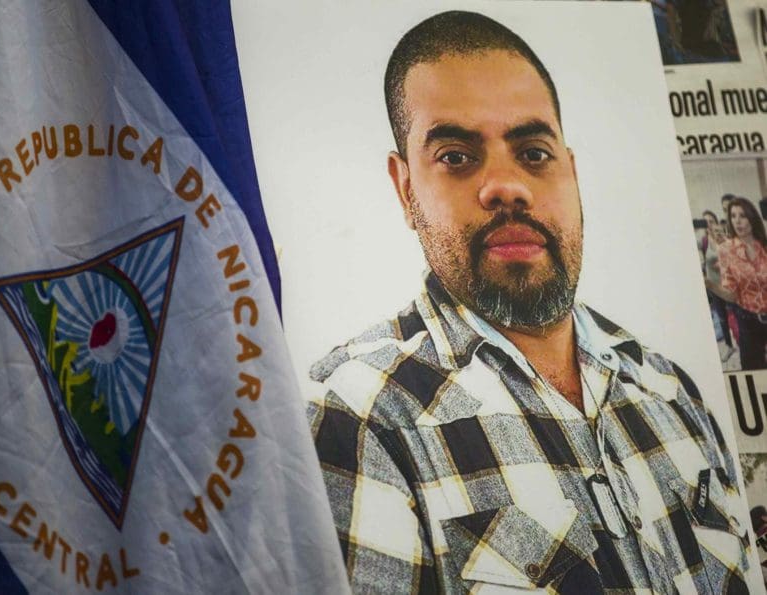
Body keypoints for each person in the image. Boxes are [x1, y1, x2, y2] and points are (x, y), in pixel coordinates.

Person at [307, 10, 749, 593]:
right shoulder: (356, 415)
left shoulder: (673, 391)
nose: (507, 185)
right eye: (457, 156)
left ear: (571, 171)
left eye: (534, 152)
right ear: (406, 189)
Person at [711, 197, 767, 370]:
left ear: (752, 218)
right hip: (748, 320)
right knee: (755, 373)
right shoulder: (727, 250)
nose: (737, 220)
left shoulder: (764, 246)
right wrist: (709, 284)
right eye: (733, 216)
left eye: (742, 215)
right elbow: (732, 294)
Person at [702, 209, 735, 361]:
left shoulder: (723, 237)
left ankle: (743, 342)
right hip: (713, 287)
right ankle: (729, 346)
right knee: (721, 318)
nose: (708, 224)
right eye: (705, 222)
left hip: (728, 286)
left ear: (715, 222)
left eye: (711, 220)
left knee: (736, 315)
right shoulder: (702, 241)